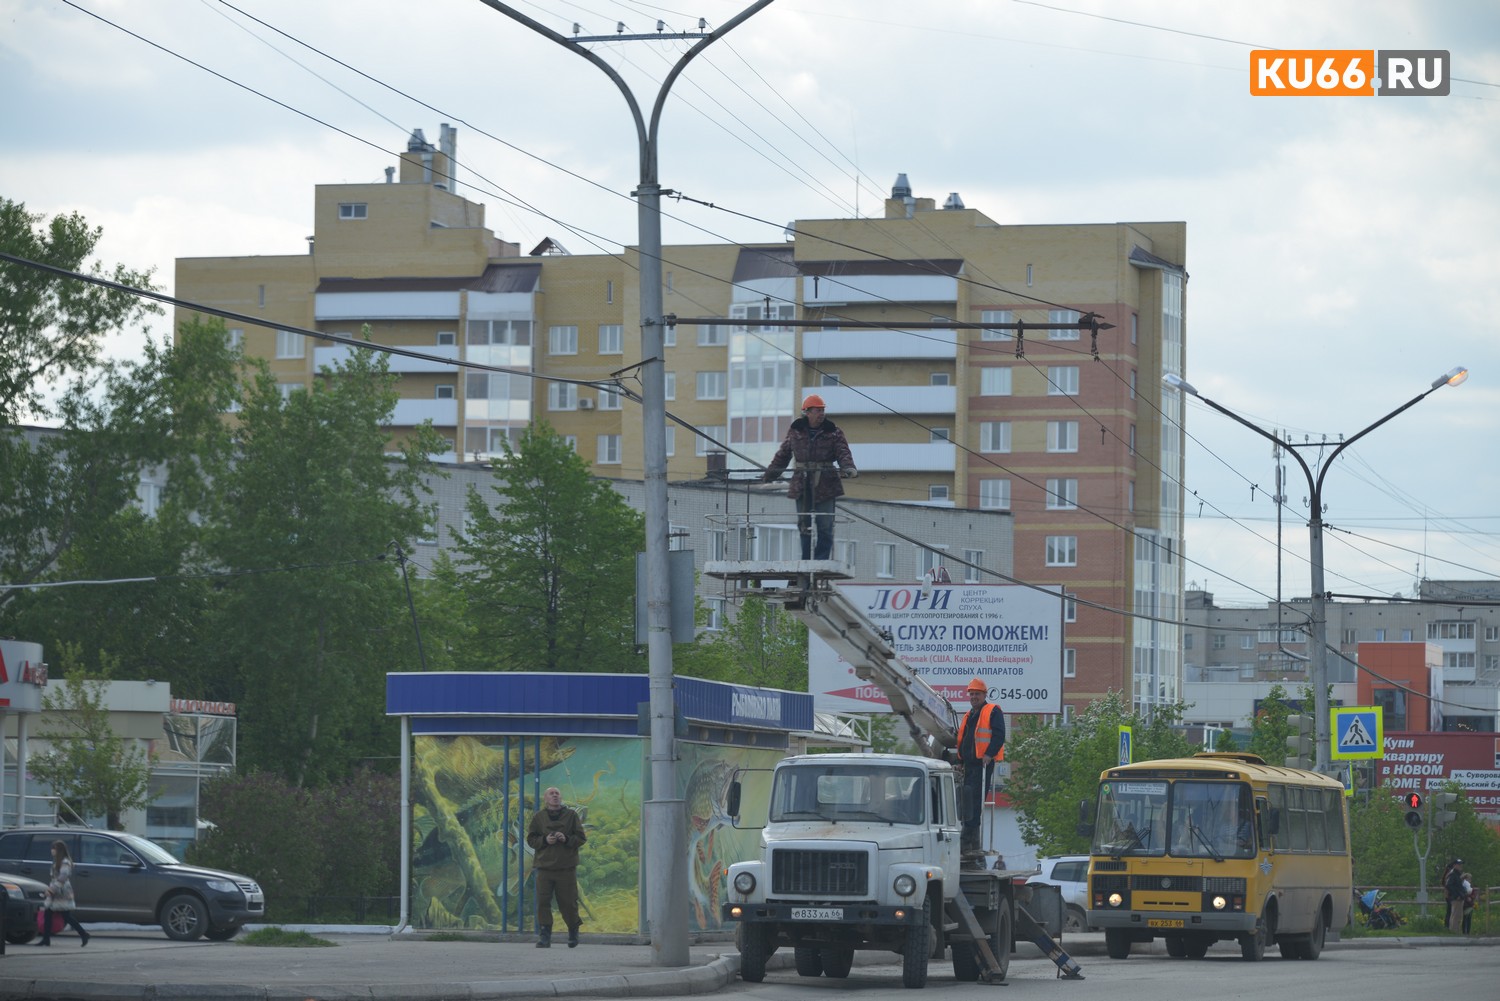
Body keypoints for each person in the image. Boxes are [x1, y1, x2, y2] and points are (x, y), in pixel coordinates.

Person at [761, 394, 856, 560]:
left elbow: (843, 452)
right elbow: (783, 455)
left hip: (826, 482)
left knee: (825, 524)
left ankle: (821, 560)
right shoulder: (796, 431)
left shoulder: (833, 432)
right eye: (817, 410)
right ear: (807, 412)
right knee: (804, 524)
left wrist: (848, 467)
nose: (821, 414)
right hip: (802, 483)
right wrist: (770, 474)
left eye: (822, 410)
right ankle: (806, 560)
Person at [941, 678, 1004, 858]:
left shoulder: (992, 711)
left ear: (984, 695)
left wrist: (989, 754)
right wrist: (960, 760)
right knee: (966, 800)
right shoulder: (970, 715)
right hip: (969, 765)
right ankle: (968, 836)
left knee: (975, 801)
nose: (974, 697)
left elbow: (999, 735)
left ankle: (968, 838)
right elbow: (965, 740)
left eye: (977, 694)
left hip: (982, 765)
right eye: (972, 694)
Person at [526, 786, 586, 948]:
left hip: (566, 868)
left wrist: (566, 838)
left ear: (560, 797)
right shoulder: (539, 817)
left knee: (568, 902)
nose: (554, 796)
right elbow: (531, 840)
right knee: (542, 902)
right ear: (545, 799)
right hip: (544, 868)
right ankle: (545, 936)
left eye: (557, 793)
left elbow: (581, 838)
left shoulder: (571, 816)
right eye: (551, 794)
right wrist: (545, 840)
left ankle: (573, 932)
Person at [39, 840, 89, 947]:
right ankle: (46, 939)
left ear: (59, 850)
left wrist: (51, 890)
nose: (52, 851)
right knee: (48, 914)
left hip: (61, 892)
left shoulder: (65, 862)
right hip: (56, 890)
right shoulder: (57, 861)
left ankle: (83, 934)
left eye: (54, 848)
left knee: (66, 916)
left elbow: (62, 878)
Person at [1445, 857, 1466, 934]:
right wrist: (1456, 895)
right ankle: (1453, 931)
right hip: (1456, 898)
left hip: (1460, 897)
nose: (1460, 866)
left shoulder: (1458, 875)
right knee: (1455, 916)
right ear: (1454, 865)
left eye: (1461, 864)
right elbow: (1448, 885)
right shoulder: (1452, 874)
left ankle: (1457, 931)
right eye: (1458, 864)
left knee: (1459, 916)